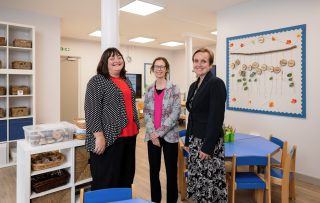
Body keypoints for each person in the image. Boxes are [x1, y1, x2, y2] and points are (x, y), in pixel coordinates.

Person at [84, 47, 140, 190]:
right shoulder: (97, 81)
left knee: (126, 177)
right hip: (110, 137)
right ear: (105, 62)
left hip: (129, 135)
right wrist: (99, 136)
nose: (117, 60)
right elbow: (91, 110)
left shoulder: (126, 80)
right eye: (112, 58)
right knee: (107, 179)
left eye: (119, 57)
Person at [184, 48, 228, 202]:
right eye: (196, 61)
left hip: (209, 142)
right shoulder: (193, 85)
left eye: (203, 61)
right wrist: (188, 140)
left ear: (210, 65)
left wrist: (207, 146)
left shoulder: (216, 83)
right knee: (199, 180)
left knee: (210, 181)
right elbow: (192, 116)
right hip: (195, 140)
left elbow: (216, 118)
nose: (199, 64)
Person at [144, 57, 181, 203]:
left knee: (171, 172)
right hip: (151, 136)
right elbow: (146, 112)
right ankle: (155, 200)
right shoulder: (149, 89)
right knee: (154, 172)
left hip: (169, 136)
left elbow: (176, 113)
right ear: (153, 69)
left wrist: (158, 133)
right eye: (157, 66)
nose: (159, 69)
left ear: (166, 69)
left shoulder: (174, 88)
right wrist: (153, 133)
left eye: (162, 66)